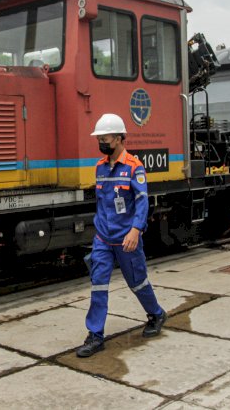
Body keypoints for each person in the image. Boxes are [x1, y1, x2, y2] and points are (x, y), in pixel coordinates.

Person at [76, 113, 167, 358]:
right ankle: (95, 335)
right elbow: (102, 204)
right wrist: (99, 233)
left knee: (138, 283)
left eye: (104, 138)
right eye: (100, 138)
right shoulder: (99, 167)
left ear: (118, 138)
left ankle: (156, 314)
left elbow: (142, 202)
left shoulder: (134, 168)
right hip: (104, 239)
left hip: (127, 239)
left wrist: (136, 230)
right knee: (98, 285)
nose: (101, 142)